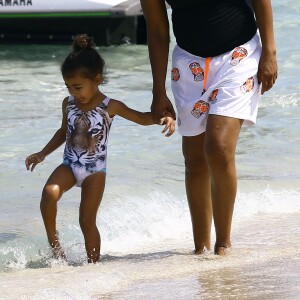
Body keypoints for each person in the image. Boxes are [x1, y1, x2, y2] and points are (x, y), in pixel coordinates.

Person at [140, 0, 277, 255]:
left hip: (239, 54)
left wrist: (270, 51)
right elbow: (158, 31)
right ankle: (200, 249)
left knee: (218, 147)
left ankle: (223, 244)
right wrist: (158, 90)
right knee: (194, 160)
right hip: (189, 63)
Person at [25, 34, 175, 263]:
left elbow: (141, 118)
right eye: (68, 87)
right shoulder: (68, 103)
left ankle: (94, 265)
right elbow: (63, 132)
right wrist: (42, 153)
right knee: (48, 194)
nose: (74, 92)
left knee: (86, 220)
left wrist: (163, 118)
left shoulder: (110, 106)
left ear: (97, 79)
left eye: (77, 87)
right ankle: (56, 248)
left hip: (95, 171)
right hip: (70, 164)